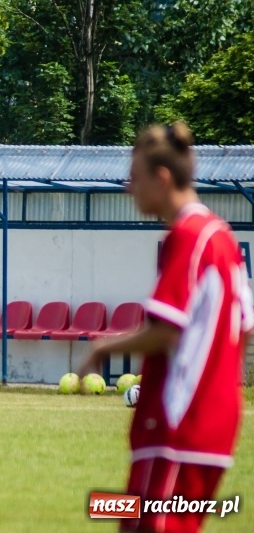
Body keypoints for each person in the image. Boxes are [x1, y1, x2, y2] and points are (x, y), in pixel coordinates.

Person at [78, 122, 253, 533]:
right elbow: (243, 328)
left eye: (135, 178)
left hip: (178, 424)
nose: (128, 189)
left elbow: (168, 330)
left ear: (162, 177)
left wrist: (103, 348)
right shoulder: (222, 238)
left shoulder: (188, 237)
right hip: (212, 424)